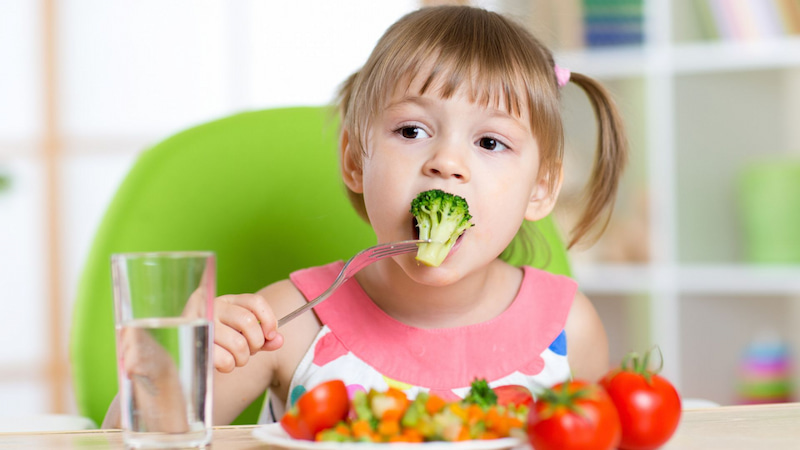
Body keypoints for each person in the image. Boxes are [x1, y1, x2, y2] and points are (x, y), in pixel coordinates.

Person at [104, 4, 628, 428]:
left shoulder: (570, 328)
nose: (446, 162)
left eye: (490, 142)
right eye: (412, 131)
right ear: (356, 161)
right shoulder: (290, 321)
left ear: (541, 189)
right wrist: (180, 362)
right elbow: (134, 441)